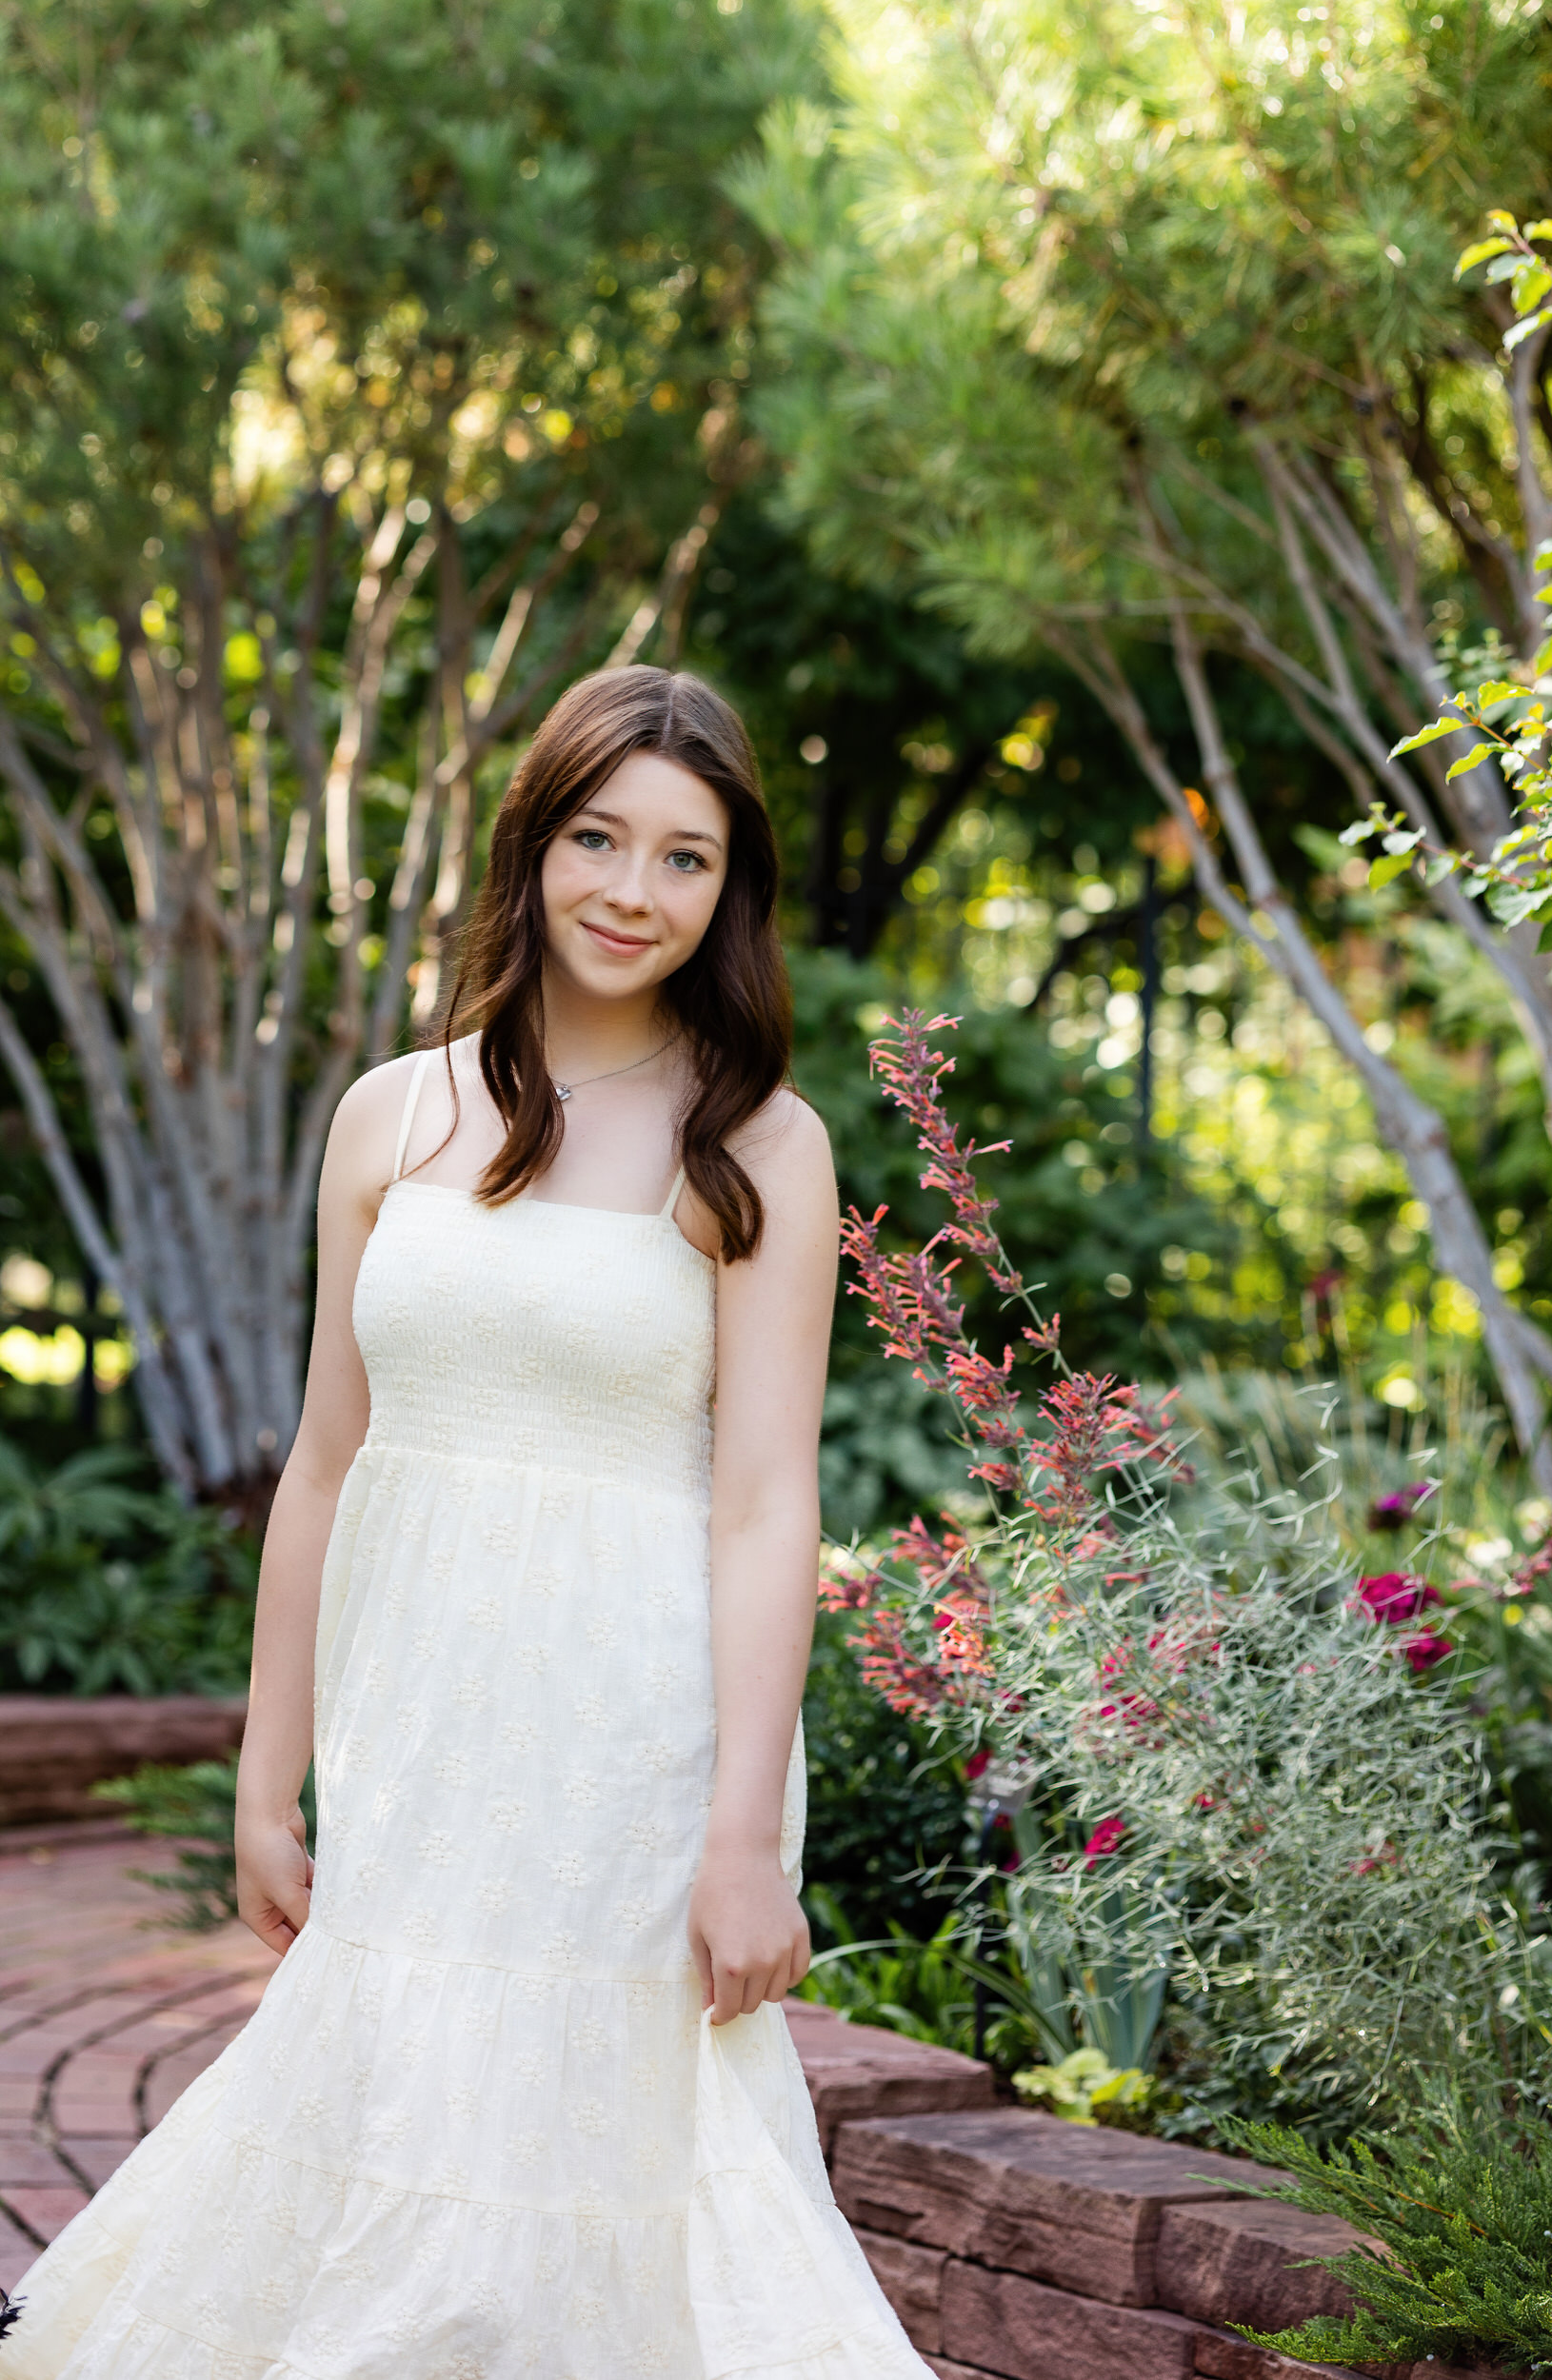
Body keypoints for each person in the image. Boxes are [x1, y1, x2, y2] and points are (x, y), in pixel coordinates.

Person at [4, 666, 931, 2377]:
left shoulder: (763, 1148)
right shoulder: (394, 1111)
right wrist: (263, 1778)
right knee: (395, 2103)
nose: (632, 893)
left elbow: (762, 1505)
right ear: (534, 843)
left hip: (635, 1736)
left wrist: (744, 1838)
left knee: (604, 2147)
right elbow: (324, 1467)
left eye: (685, 859)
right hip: (418, 1722)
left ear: (732, 894)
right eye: (599, 838)